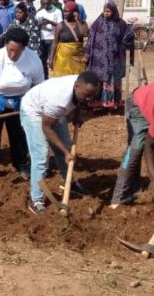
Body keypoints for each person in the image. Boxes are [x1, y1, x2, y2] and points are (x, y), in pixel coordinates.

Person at [20, 72, 100, 214]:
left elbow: (80, 101)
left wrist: (77, 115)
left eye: (92, 95)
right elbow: (46, 127)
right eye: (87, 95)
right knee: (41, 156)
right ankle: (36, 199)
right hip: (35, 112)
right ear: (76, 87)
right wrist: (65, 153)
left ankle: (68, 182)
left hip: (52, 113)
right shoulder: (60, 100)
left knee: (67, 146)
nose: (89, 98)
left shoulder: (81, 88)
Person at [0, 27, 44, 179]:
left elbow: (39, 86)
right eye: (10, 50)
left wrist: (34, 107)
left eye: (17, 51)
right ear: (6, 45)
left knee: (19, 135)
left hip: (21, 103)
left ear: (24, 48)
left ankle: (21, 164)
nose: (13, 54)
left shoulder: (33, 58)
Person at [85, 2, 135, 110]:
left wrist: (123, 45)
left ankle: (110, 104)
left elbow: (129, 36)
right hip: (97, 60)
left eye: (109, 11)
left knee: (111, 79)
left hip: (113, 59)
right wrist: (87, 54)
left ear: (114, 12)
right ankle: (97, 103)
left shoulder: (120, 23)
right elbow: (90, 40)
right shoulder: (97, 23)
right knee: (98, 80)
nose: (106, 13)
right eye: (105, 11)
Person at [48, 1, 88, 77]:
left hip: (78, 60)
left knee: (76, 81)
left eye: (67, 12)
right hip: (63, 60)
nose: (65, 14)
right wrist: (51, 58)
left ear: (74, 12)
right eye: (64, 11)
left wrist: (77, 20)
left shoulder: (82, 23)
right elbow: (55, 43)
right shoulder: (60, 26)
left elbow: (85, 34)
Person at [35, 0, 63, 78]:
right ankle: (45, 77)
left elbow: (60, 26)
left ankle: (54, 77)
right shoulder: (39, 13)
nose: (46, 6)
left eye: (47, 4)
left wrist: (50, 22)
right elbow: (35, 25)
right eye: (44, 4)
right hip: (42, 39)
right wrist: (41, 24)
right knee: (42, 60)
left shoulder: (57, 11)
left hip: (53, 40)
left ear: (51, 3)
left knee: (52, 60)